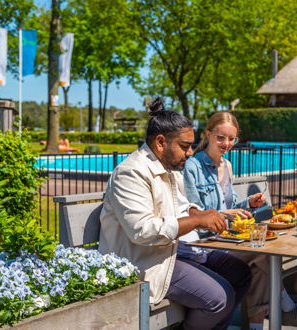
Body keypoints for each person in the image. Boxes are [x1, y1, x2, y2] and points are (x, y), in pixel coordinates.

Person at [98, 99, 252, 330]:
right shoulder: (131, 173)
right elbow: (143, 231)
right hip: (143, 261)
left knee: (239, 273)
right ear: (161, 142)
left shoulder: (168, 169)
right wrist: (198, 219)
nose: (190, 152)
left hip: (171, 251)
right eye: (184, 145)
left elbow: (182, 205)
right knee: (219, 298)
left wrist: (199, 212)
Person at [183, 111, 297, 329]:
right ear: (207, 134)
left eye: (232, 139)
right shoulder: (193, 166)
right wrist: (226, 215)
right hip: (206, 244)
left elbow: (229, 208)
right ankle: (287, 308)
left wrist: (248, 203)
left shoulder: (228, 166)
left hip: (227, 239)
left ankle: (260, 325)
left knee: (260, 260)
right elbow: (194, 214)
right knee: (262, 254)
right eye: (221, 137)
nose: (227, 143)